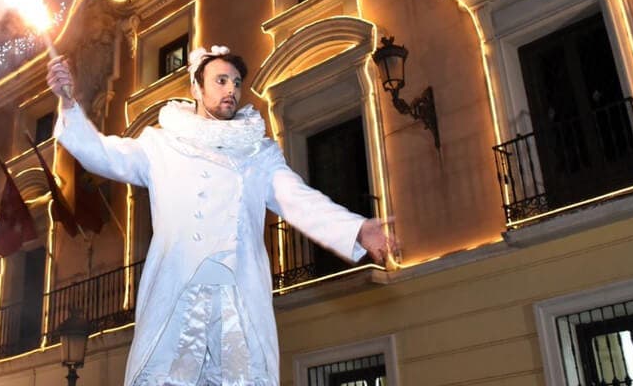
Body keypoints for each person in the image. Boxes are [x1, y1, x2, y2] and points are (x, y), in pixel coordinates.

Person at [48, 44, 394, 386]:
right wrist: (68, 102)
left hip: (236, 302)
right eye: (221, 80)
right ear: (196, 88)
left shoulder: (258, 152)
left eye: (237, 82)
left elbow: (297, 199)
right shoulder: (161, 145)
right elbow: (104, 154)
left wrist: (357, 229)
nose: (232, 89)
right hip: (177, 299)